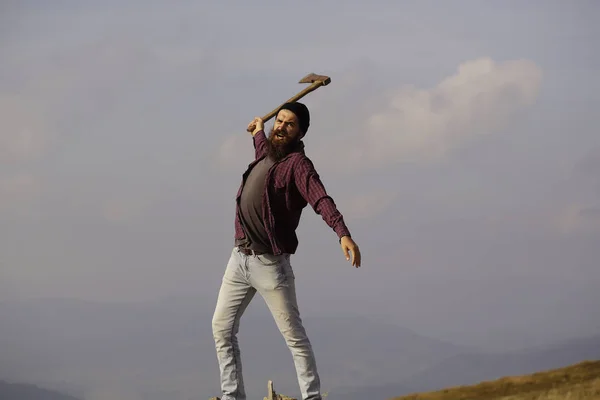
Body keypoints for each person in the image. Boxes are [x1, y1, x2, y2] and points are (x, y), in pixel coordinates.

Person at [211, 102, 361, 400]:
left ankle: (311, 397)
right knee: (221, 328)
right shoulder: (268, 153)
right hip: (239, 259)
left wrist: (342, 232)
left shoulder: (298, 165)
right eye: (278, 121)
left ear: (300, 132)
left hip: (269, 265)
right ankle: (232, 396)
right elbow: (261, 158)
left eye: (288, 124)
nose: (280, 126)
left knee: (294, 337)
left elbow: (320, 198)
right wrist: (257, 132)